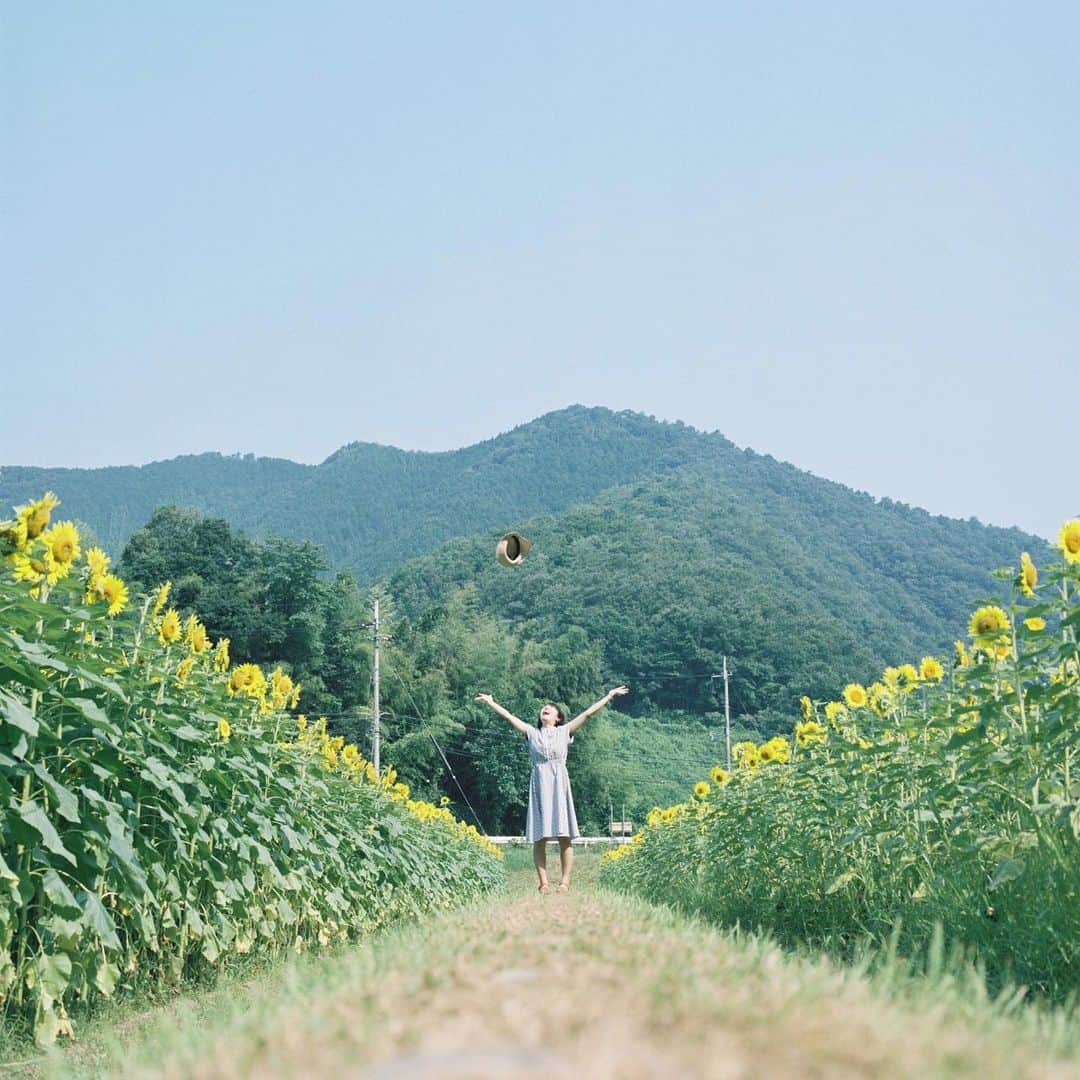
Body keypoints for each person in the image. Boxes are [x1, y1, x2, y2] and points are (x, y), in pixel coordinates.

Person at [474, 686, 629, 893]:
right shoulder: (532, 733)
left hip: (559, 784)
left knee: (565, 836)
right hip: (539, 783)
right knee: (540, 837)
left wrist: (609, 695)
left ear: (558, 718)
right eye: (543, 708)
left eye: (550, 709)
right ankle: (544, 883)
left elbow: (588, 713)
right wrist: (491, 702)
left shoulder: (564, 731)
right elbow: (509, 718)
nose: (545, 709)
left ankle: (565, 882)